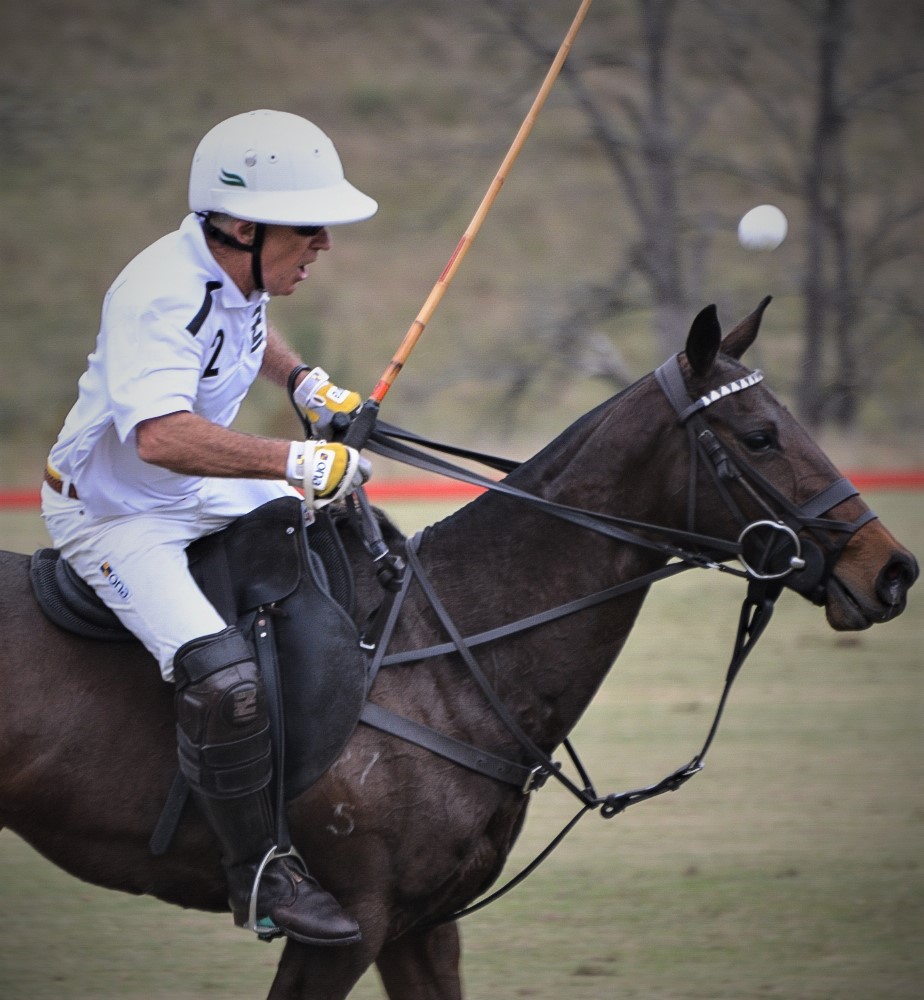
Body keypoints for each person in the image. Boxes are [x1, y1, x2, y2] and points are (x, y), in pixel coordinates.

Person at [41, 109, 377, 947]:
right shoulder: (159, 293)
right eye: (309, 228)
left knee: (345, 527)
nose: (324, 244)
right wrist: (293, 461)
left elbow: (249, 330)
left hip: (190, 488)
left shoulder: (239, 273)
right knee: (226, 685)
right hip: (118, 512)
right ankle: (258, 872)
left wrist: (304, 381)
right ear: (239, 223)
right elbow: (160, 435)